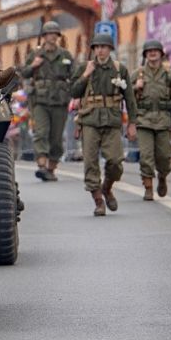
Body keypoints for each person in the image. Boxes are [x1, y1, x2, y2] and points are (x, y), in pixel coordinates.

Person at [72, 31, 136, 215]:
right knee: (90, 163)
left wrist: (132, 123)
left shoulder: (119, 69)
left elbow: (130, 98)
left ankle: (107, 187)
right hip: (89, 120)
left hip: (112, 120)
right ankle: (98, 201)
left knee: (116, 162)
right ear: (93, 49)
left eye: (104, 47)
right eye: (97, 47)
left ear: (110, 49)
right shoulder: (85, 67)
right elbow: (73, 92)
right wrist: (85, 75)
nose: (100, 50)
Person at [130, 39, 171, 200]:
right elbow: (126, 98)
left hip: (163, 121)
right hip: (144, 121)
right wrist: (135, 87)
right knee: (146, 156)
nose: (152, 53)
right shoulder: (136, 74)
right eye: (149, 51)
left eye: (156, 50)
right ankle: (148, 187)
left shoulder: (169, 77)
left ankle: (162, 177)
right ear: (145, 54)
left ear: (161, 54)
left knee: (164, 158)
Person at [24, 18, 76, 182]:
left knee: (56, 137)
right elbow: (23, 73)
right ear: (44, 36)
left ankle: (51, 168)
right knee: (41, 132)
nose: (52, 37)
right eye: (49, 34)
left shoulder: (65, 55)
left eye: (54, 34)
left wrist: (76, 95)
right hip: (40, 100)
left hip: (60, 100)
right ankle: (41, 165)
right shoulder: (35, 54)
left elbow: (74, 76)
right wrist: (33, 65)